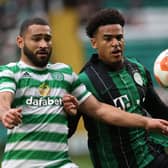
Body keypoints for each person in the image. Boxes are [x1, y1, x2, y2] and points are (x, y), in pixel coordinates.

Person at [0, 17, 168, 168]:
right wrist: (6, 113)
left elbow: (99, 109)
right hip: (21, 163)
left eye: (48, 39)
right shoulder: (10, 72)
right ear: (20, 41)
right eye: (37, 39)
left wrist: (69, 113)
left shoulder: (65, 74)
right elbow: (4, 98)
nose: (43, 44)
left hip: (60, 163)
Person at [65, 8, 168, 168]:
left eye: (119, 37)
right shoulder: (85, 81)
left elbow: (157, 109)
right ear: (94, 43)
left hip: (149, 158)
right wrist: (68, 113)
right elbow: (68, 132)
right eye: (108, 39)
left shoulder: (137, 69)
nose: (115, 43)